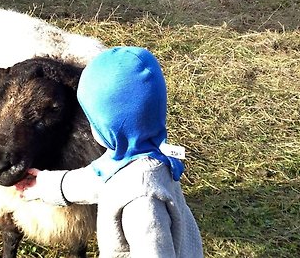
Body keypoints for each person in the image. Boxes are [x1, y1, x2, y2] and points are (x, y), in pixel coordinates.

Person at [16, 46, 204, 258]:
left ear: (110, 126)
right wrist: (45, 186)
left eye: (91, 119)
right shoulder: (133, 157)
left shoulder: (143, 200)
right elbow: (97, 180)